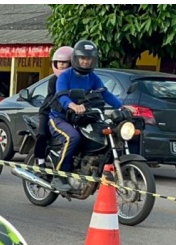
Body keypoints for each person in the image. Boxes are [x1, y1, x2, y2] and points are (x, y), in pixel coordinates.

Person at [49, 39, 124, 192]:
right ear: (76, 58)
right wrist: (73, 105)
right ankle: (59, 176)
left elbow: (105, 94)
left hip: (82, 118)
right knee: (73, 137)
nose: (85, 61)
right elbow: (61, 96)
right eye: (82, 58)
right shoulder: (65, 76)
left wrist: (122, 106)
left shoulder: (93, 78)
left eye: (88, 58)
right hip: (59, 118)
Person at [34, 45, 73, 166]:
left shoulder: (75, 80)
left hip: (69, 113)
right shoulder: (53, 80)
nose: (61, 65)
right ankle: (40, 160)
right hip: (49, 111)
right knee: (42, 133)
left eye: (64, 62)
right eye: (59, 62)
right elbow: (52, 98)